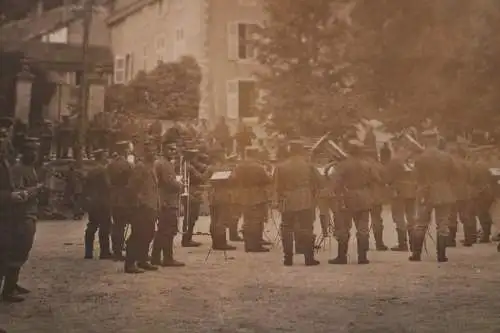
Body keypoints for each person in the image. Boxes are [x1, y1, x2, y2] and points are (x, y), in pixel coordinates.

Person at [4, 138, 44, 302]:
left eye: (36, 151)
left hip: (30, 214)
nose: (35, 154)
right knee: (18, 250)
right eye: (31, 151)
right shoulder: (18, 169)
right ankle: (8, 289)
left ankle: (13, 284)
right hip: (21, 216)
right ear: (24, 152)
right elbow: (19, 194)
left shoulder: (30, 168)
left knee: (23, 250)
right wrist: (37, 189)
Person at [409, 131, 457, 263]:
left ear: (425, 141)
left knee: (421, 224)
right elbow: (454, 174)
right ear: (436, 141)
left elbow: (415, 177)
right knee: (443, 224)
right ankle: (441, 255)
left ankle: (416, 254)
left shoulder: (421, 158)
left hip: (425, 191)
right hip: (444, 191)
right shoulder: (446, 157)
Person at [329, 140, 380, 265]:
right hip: (364, 197)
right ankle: (362, 257)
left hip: (347, 198)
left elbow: (335, 182)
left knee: (344, 228)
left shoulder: (343, 165)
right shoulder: (367, 165)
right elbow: (377, 179)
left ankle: (342, 256)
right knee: (363, 229)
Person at [274, 141, 321, 266]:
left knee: (286, 228)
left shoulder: (281, 166)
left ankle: (288, 258)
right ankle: (308, 258)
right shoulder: (308, 165)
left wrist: (279, 201)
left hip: (288, 198)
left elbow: (277, 186)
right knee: (306, 228)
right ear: (301, 151)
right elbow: (319, 181)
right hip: (305, 198)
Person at [0, 128, 29, 304]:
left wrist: (16, 193)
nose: (5, 140)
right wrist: (8, 196)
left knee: (4, 260)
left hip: (5, 219)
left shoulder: (5, 162)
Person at [124, 140, 159, 273]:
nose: (153, 153)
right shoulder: (140, 167)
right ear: (145, 153)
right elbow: (132, 187)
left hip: (150, 206)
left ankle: (143, 260)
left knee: (149, 234)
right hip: (141, 208)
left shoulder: (151, 167)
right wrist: (139, 202)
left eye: (155, 151)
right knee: (137, 235)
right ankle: (130, 263)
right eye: (150, 151)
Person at [151, 142, 185, 267]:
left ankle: (157, 257)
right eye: (171, 149)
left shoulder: (160, 162)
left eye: (175, 149)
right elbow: (170, 183)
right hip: (167, 201)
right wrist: (181, 185)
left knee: (163, 230)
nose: (173, 152)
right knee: (167, 230)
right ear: (164, 149)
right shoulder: (164, 164)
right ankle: (167, 258)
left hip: (163, 200)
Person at [232, 147, 272, 253]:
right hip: (256, 195)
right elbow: (267, 180)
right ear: (256, 154)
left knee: (247, 220)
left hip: (243, 195)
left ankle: (248, 243)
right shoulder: (258, 167)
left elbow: (233, 179)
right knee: (256, 220)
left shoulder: (238, 166)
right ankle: (255, 245)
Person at [205, 148, 238, 251]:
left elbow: (203, 178)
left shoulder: (210, 168)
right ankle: (222, 242)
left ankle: (215, 242)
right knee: (222, 220)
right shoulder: (226, 168)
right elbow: (234, 180)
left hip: (212, 196)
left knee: (214, 220)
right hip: (223, 196)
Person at [82, 149, 113, 260]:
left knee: (92, 226)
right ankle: (104, 252)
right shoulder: (103, 170)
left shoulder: (91, 171)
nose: (107, 158)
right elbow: (107, 185)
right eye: (105, 156)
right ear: (102, 157)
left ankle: (88, 252)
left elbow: (86, 186)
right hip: (103, 202)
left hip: (93, 202)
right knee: (105, 227)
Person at [385, 145, 416, 251]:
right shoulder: (412, 161)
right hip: (412, 191)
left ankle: (403, 243)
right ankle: (414, 242)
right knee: (411, 216)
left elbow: (388, 178)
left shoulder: (394, 161)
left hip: (398, 191)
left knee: (399, 217)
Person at [107, 141, 134, 261]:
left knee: (117, 225)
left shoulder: (111, 164)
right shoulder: (127, 165)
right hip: (124, 198)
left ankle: (116, 250)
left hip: (113, 197)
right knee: (122, 226)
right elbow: (132, 183)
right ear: (126, 150)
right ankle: (121, 250)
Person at [364, 147, 389, 251]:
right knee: (377, 220)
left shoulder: (364, 166)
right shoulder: (380, 166)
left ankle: (364, 244)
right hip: (377, 197)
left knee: (363, 221)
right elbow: (385, 180)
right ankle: (379, 243)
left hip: (365, 197)